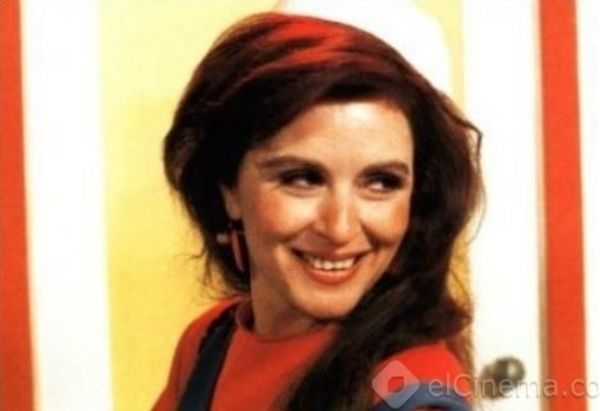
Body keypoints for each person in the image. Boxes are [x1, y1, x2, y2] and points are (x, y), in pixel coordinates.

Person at [153, 11, 481, 411]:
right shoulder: (209, 341)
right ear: (228, 190)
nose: (340, 228)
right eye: (303, 178)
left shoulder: (413, 393)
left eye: (381, 183)